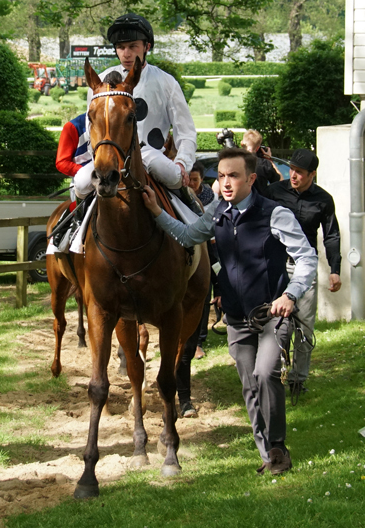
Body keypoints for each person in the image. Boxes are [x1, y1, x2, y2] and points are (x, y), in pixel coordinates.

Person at [142, 147, 317, 474]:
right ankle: (268, 455)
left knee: (266, 375)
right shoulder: (215, 213)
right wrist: (155, 211)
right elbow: (186, 235)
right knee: (250, 386)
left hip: (273, 314)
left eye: (233, 175)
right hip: (237, 318)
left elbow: (307, 258)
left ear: (251, 178)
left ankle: (278, 446)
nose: (225, 182)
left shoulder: (274, 214)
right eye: (221, 175)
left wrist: (291, 295)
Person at [74, 12, 198, 208]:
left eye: (133, 47)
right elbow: (92, 129)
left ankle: (194, 214)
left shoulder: (166, 82)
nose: (126, 53)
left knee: (172, 175)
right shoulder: (100, 82)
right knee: (80, 183)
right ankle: (74, 226)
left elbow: (187, 131)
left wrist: (182, 162)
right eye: (121, 47)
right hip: (110, 155)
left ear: (146, 47)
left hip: (149, 154)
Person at [265, 148, 342, 394]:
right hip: (275, 266)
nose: (294, 175)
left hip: (304, 269)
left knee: (305, 326)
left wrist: (334, 269)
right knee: (275, 323)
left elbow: (331, 236)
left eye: (299, 172)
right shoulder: (274, 192)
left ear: (312, 174)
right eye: (292, 170)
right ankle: (271, 375)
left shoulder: (324, 200)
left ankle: (298, 380)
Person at [188, 160, 215, 360]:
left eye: (195, 180)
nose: (191, 183)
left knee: (205, 293)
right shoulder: (179, 196)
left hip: (212, 245)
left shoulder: (211, 199)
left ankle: (199, 340)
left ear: (202, 180)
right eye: (188, 179)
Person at [240, 129, 282, 196]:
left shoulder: (234, 162)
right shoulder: (265, 164)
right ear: (258, 148)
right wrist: (269, 159)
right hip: (260, 204)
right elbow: (281, 182)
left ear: (242, 144)